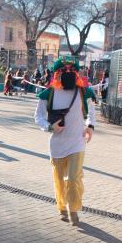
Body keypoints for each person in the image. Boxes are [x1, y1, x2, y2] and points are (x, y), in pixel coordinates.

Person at [34, 58, 96, 226]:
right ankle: (62, 206)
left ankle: (73, 209)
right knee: (60, 179)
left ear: (76, 73)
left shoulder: (84, 92)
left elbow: (91, 111)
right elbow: (37, 117)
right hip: (57, 144)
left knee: (74, 178)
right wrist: (49, 127)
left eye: (71, 71)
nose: (67, 74)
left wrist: (90, 126)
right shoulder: (49, 93)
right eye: (63, 71)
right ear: (57, 74)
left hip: (77, 142)